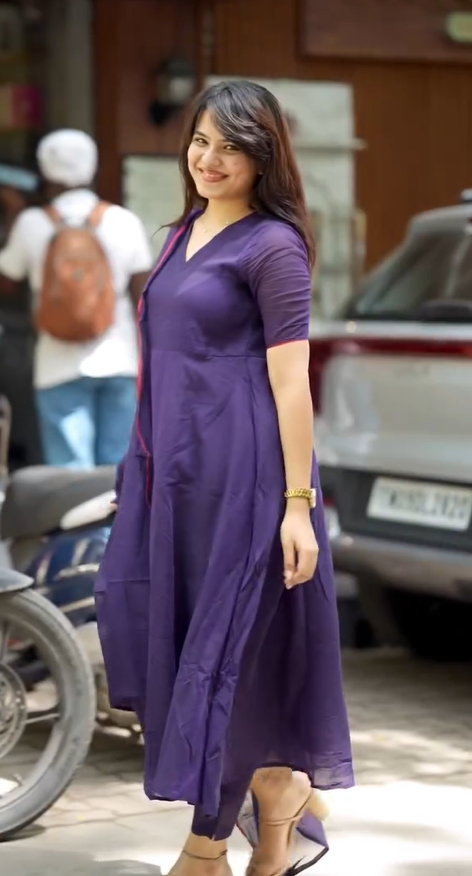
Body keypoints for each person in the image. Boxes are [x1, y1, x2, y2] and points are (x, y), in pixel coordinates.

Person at [95, 80, 353, 876]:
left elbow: (290, 383)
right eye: (201, 140)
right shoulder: (181, 232)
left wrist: (298, 505)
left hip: (245, 475)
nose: (209, 159)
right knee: (150, 627)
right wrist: (138, 471)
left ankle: (205, 850)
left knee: (225, 660)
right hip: (170, 477)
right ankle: (278, 794)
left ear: (264, 157)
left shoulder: (273, 247)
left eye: (231, 147)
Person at [0, 129, 153, 468]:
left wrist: (12, 213)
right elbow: (144, 295)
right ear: (93, 167)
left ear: (44, 171)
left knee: (69, 474)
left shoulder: (31, 223)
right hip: (119, 359)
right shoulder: (123, 221)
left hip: (56, 363)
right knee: (118, 471)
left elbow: (6, 281)